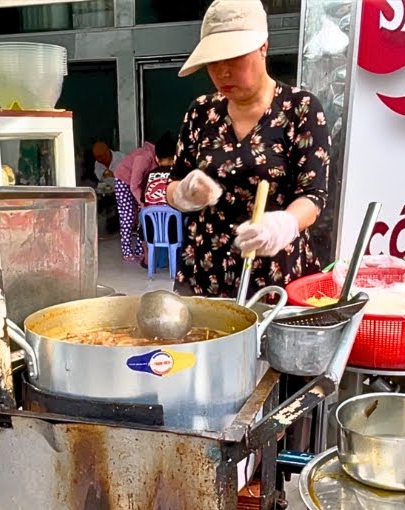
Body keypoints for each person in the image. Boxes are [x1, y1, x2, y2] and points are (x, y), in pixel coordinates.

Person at [166, 0, 330, 298]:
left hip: (276, 278)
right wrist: (183, 193)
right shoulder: (202, 111)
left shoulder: (300, 109)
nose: (222, 72)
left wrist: (283, 224)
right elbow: (173, 182)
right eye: (213, 62)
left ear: (263, 47)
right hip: (204, 273)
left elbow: (313, 195)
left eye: (233, 58)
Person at [113, 138, 157, 263]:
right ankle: (126, 250)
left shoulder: (155, 159)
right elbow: (134, 185)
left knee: (142, 216)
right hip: (123, 180)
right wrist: (143, 204)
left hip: (138, 184)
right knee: (128, 216)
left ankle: (139, 249)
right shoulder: (144, 158)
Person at [141, 134, 176, 207]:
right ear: (175, 157)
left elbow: (143, 201)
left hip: (150, 217)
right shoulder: (179, 174)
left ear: (156, 158)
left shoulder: (149, 175)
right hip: (175, 217)